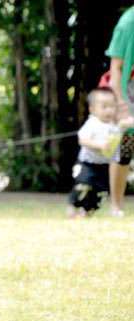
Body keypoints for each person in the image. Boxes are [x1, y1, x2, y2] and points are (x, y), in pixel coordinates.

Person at [67, 88, 120, 217]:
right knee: (82, 185)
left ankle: (88, 211)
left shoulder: (114, 126)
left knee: (100, 191)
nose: (109, 110)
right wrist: (99, 145)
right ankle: (73, 207)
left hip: (104, 165)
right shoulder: (92, 123)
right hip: (87, 163)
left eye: (112, 106)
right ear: (92, 109)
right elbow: (82, 140)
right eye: (104, 107)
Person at [105, 6, 134, 217]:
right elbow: (116, 67)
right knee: (124, 148)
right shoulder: (128, 22)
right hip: (128, 90)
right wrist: (120, 103)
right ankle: (116, 206)